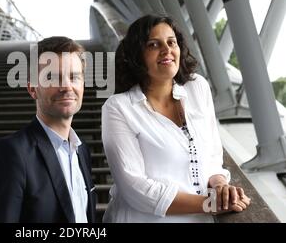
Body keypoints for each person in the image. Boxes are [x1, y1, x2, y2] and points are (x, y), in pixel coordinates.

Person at [101, 14, 251, 223]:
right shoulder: (118, 108)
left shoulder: (198, 87)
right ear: (137, 55)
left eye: (172, 42)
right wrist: (210, 204)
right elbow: (135, 189)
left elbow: (213, 156)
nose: (167, 50)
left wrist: (219, 186)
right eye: (154, 44)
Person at [0, 36, 96, 223]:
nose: (66, 86)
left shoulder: (82, 151)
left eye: (74, 77)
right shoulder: (12, 153)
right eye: (52, 77)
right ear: (32, 89)